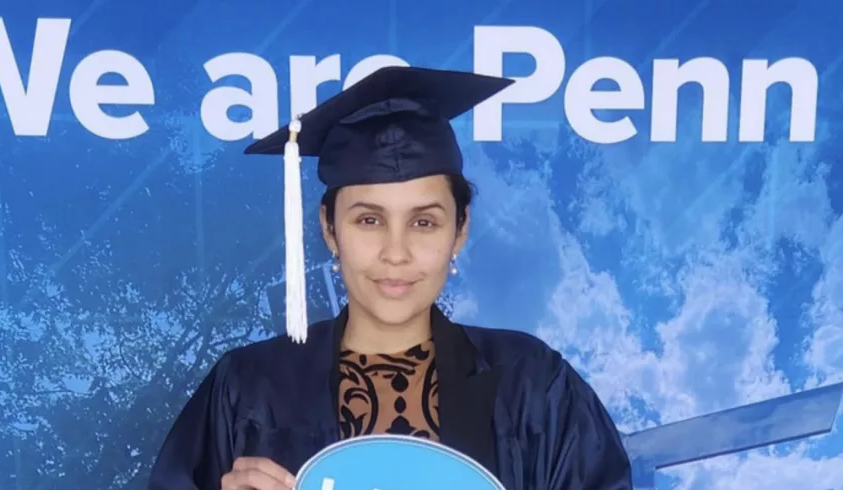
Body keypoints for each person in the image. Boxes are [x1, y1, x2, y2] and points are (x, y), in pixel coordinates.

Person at [147, 65, 633, 490]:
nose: (396, 253)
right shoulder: (249, 388)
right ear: (329, 229)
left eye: (424, 222)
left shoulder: (532, 386)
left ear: (460, 230)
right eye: (368, 220)